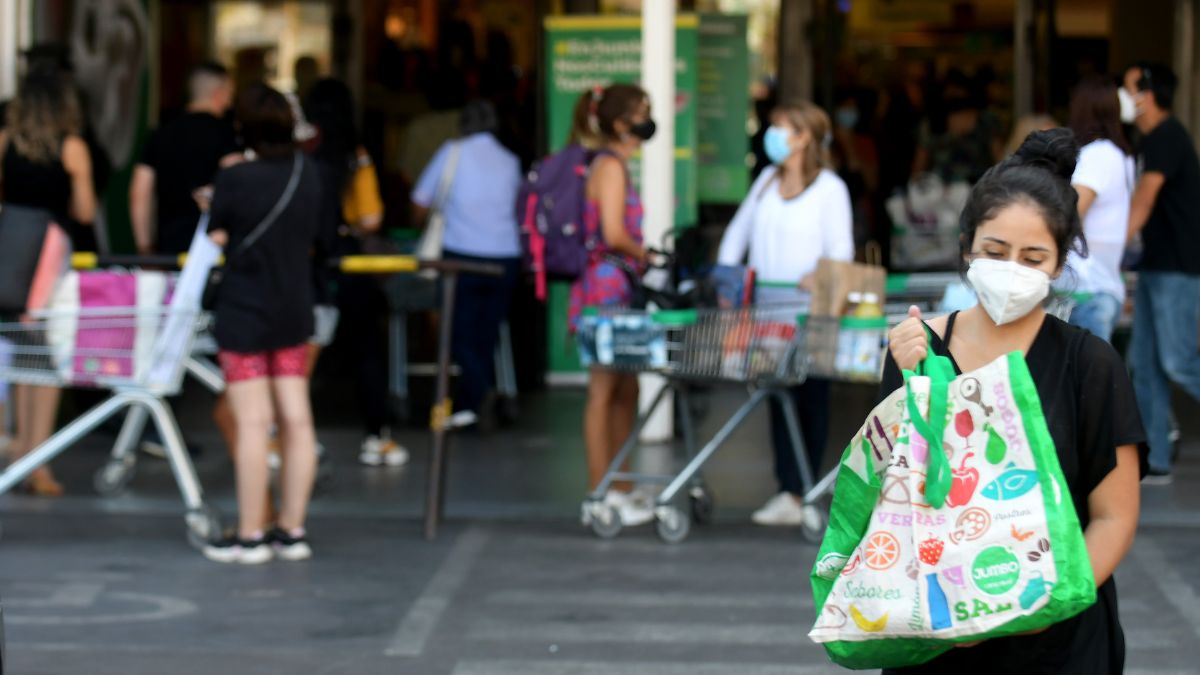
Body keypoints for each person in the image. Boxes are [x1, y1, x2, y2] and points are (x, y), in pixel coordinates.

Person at [881, 129, 1144, 675]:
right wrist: (912, 386)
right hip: (938, 633)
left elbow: (1114, 517)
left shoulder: (1089, 364)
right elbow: (889, 499)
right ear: (966, 248)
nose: (1011, 270)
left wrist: (1042, 605)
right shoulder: (916, 349)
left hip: (1058, 642)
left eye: (1033, 256)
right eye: (995, 252)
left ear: (1059, 262)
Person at [716, 101, 854, 526]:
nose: (773, 135)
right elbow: (737, 233)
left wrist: (820, 275)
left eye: (782, 128)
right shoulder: (765, 182)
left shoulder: (830, 189)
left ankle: (803, 489)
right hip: (766, 314)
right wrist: (727, 279)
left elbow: (841, 250)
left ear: (805, 137)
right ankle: (787, 490)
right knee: (777, 397)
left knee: (811, 398)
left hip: (810, 314)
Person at [201, 84, 321, 564]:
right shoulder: (308, 173)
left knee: (253, 422)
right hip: (294, 308)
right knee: (297, 418)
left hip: (244, 310)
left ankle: (251, 534)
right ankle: (292, 531)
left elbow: (218, 234)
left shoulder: (236, 177)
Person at [0, 68, 97, 497]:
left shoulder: (4, 141)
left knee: (18, 356)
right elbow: (86, 212)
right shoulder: (73, 147)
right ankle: (38, 459)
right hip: (50, 259)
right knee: (46, 359)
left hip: (9, 253)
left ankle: (19, 451)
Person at [569, 84, 656, 527]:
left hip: (618, 285)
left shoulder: (613, 164)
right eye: (642, 113)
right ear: (621, 122)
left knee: (627, 388)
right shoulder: (610, 166)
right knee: (603, 391)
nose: (648, 121)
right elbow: (612, 232)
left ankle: (620, 485)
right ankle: (599, 491)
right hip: (606, 287)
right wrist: (645, 254)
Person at [412, 100, 522, 430]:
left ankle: (480, 392)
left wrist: (420, 225)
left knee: (456, 333)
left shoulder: (452, 152)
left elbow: (420, 201)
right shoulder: (510, 160)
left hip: (462, 256)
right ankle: (470, 406)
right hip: (506, 256)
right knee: (485, 336)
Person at [1123, 62, 1200, 484]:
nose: (1124, 95)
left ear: (1147, 94)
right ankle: (1156, 459)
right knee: (1145, 363)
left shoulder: (1166, 137)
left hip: (1177, 268)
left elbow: (1144, 201)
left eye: (1129, 87)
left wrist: (1110, 250)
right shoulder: (1152, 139)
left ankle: (1156, 455)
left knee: (1178, 362)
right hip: (1157, 266)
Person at [130, 62, 239, 256]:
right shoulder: (226, 134)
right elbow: (236, 185)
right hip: (213, 250)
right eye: (230, 93)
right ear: (218, 93)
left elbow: (140, 194)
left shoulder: (160, 134)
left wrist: (144, 248)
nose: (231, 101)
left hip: (168, 248)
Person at [1062, 75, 1134, 342]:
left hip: (1087, 290)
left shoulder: (1096, 155)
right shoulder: (1121, 155)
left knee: (1087, 381)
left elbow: (1070, 214)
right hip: (1106, 288)